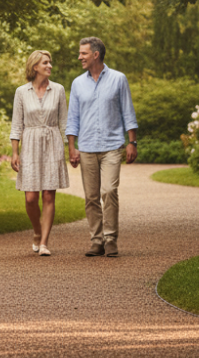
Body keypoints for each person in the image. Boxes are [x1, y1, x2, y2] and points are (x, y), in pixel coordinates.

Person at [65, 36, 138, 257]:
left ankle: (111, 238)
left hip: (112, 146)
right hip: (86, 147)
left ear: (96, 55)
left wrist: (132, 142)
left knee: (109, 190)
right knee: (91, 196)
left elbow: (128, 112)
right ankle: (96, 240)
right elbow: (73, 118)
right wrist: (72, 148)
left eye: (83, 53)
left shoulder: (118, 79)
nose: (80, 57)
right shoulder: (78, 83)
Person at [10, 49, 69, 257]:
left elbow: (64, 123)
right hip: (31, 144)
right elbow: (17, 124)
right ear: (35, 67)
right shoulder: (21, 92)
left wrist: (70, 147)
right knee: (31, 198)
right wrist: (15, 152)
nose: (50, 66)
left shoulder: (59, 90)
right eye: (45, 63)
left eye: (50, 62)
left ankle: (44, 242)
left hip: (52, 143)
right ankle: (36, 230)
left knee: (49, 196)